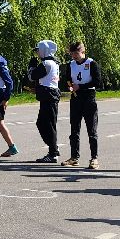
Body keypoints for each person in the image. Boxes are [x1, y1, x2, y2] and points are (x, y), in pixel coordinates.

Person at [61, 41, 103, 169]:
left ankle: (94, 158)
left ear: (83, 52)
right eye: (72, 53)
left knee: (92, 130)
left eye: (76, 53)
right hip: (76, 98)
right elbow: (67, 80)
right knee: (74, 130)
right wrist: (69, 86)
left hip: (89, 97)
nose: (74, 56)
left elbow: (98, 82)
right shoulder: (70, 65)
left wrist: (81, 86)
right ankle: (74, 157)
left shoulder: (91, 64)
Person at [31, 40, 62, 163]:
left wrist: (31, 67)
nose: (37, 53)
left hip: (49, 96)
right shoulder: (52, 62)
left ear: (44, 50)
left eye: (38, 50)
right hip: (48, 96)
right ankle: (53, 147)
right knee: (43, 123)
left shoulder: (47, 63)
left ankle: (53, 152)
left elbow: (32, 76)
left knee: (48, 125)